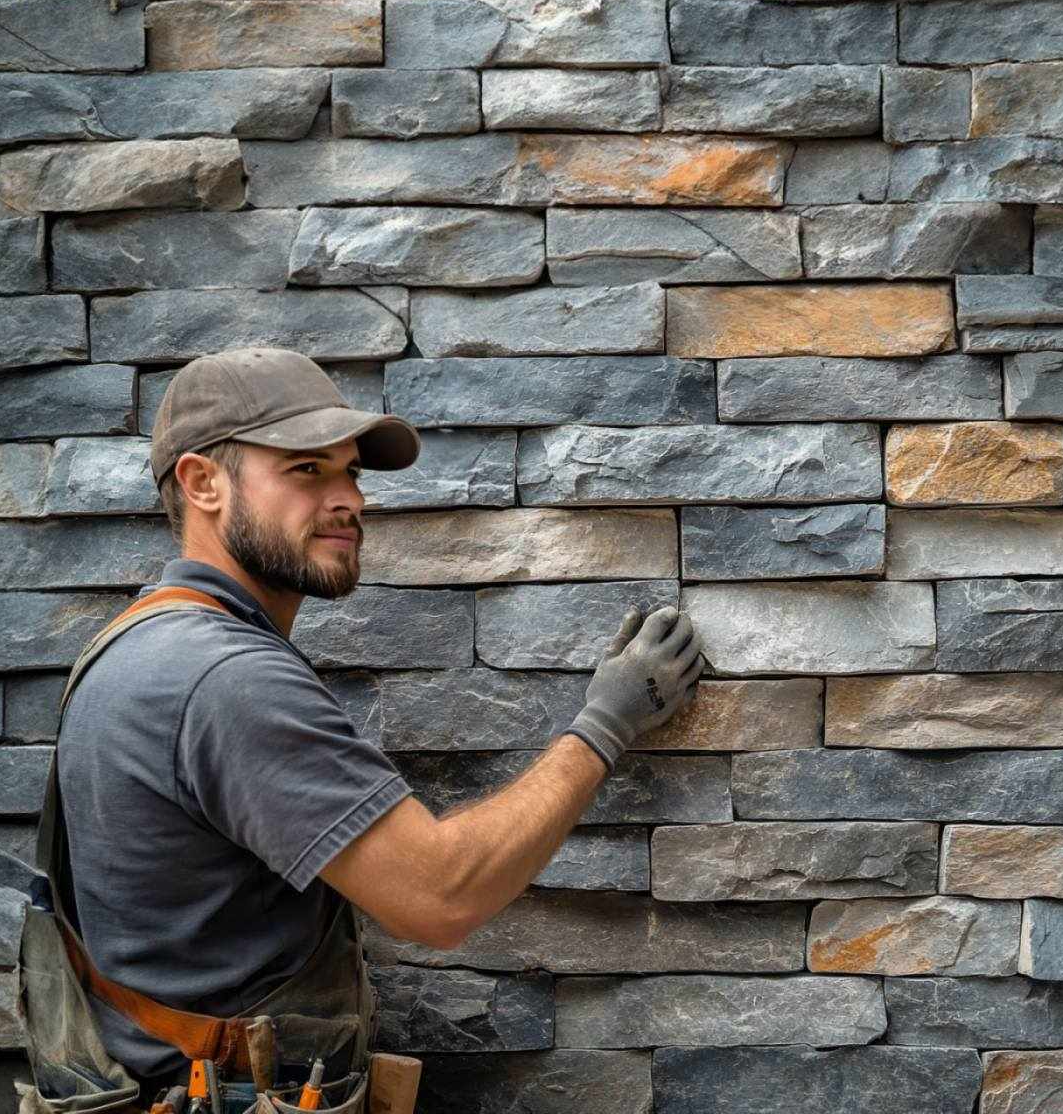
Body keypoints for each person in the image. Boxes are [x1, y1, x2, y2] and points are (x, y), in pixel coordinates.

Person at [53, 346, 705, 1113]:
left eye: (350, 472)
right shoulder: (224, 680)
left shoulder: (132, 642)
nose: (349, 499)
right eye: (306, 471)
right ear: (203, 483)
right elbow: (440, 896)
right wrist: (606, 722)